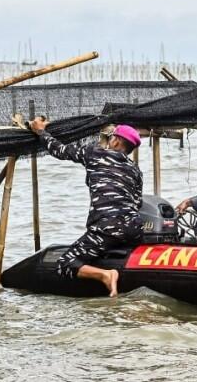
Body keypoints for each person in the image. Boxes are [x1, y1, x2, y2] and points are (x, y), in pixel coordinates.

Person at [30, 119, 143, 297]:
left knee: (66, 264)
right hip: (134, 229)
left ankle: (106, 274)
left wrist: (40, 132)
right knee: (111, 242)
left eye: (112, 137)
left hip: (106, 228)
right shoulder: (135, 170)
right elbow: (137, 203)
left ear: (116, 141)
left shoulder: (95, 153)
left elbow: (60, 151)